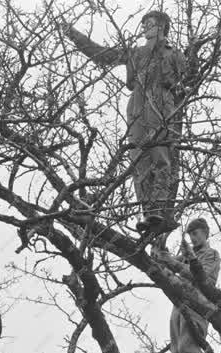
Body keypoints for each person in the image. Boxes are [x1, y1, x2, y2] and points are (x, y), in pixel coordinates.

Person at [62, 10, 186, 234]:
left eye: (151, 23)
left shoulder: (175, 53)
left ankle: (159, 208)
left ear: (162, 27)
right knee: (139, 162)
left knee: (161, 157)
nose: (146, 27)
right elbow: (102, 54)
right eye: (144, 24)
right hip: (137, 106)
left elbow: (183, 83)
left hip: (162, 105)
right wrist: (73, 35)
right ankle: (148, 213)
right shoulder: (135, 53)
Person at [156, 218, 221, 353]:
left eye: (196, 233)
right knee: (176, 350)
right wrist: (162, 251)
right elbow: (164, 263)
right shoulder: (184, 255)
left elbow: (204, 280)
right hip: (178, 303)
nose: (193, 238)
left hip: (198, 303)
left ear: (205, 233)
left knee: (187, 346)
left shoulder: (211, 254)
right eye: (190, 235)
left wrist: (179, 263)